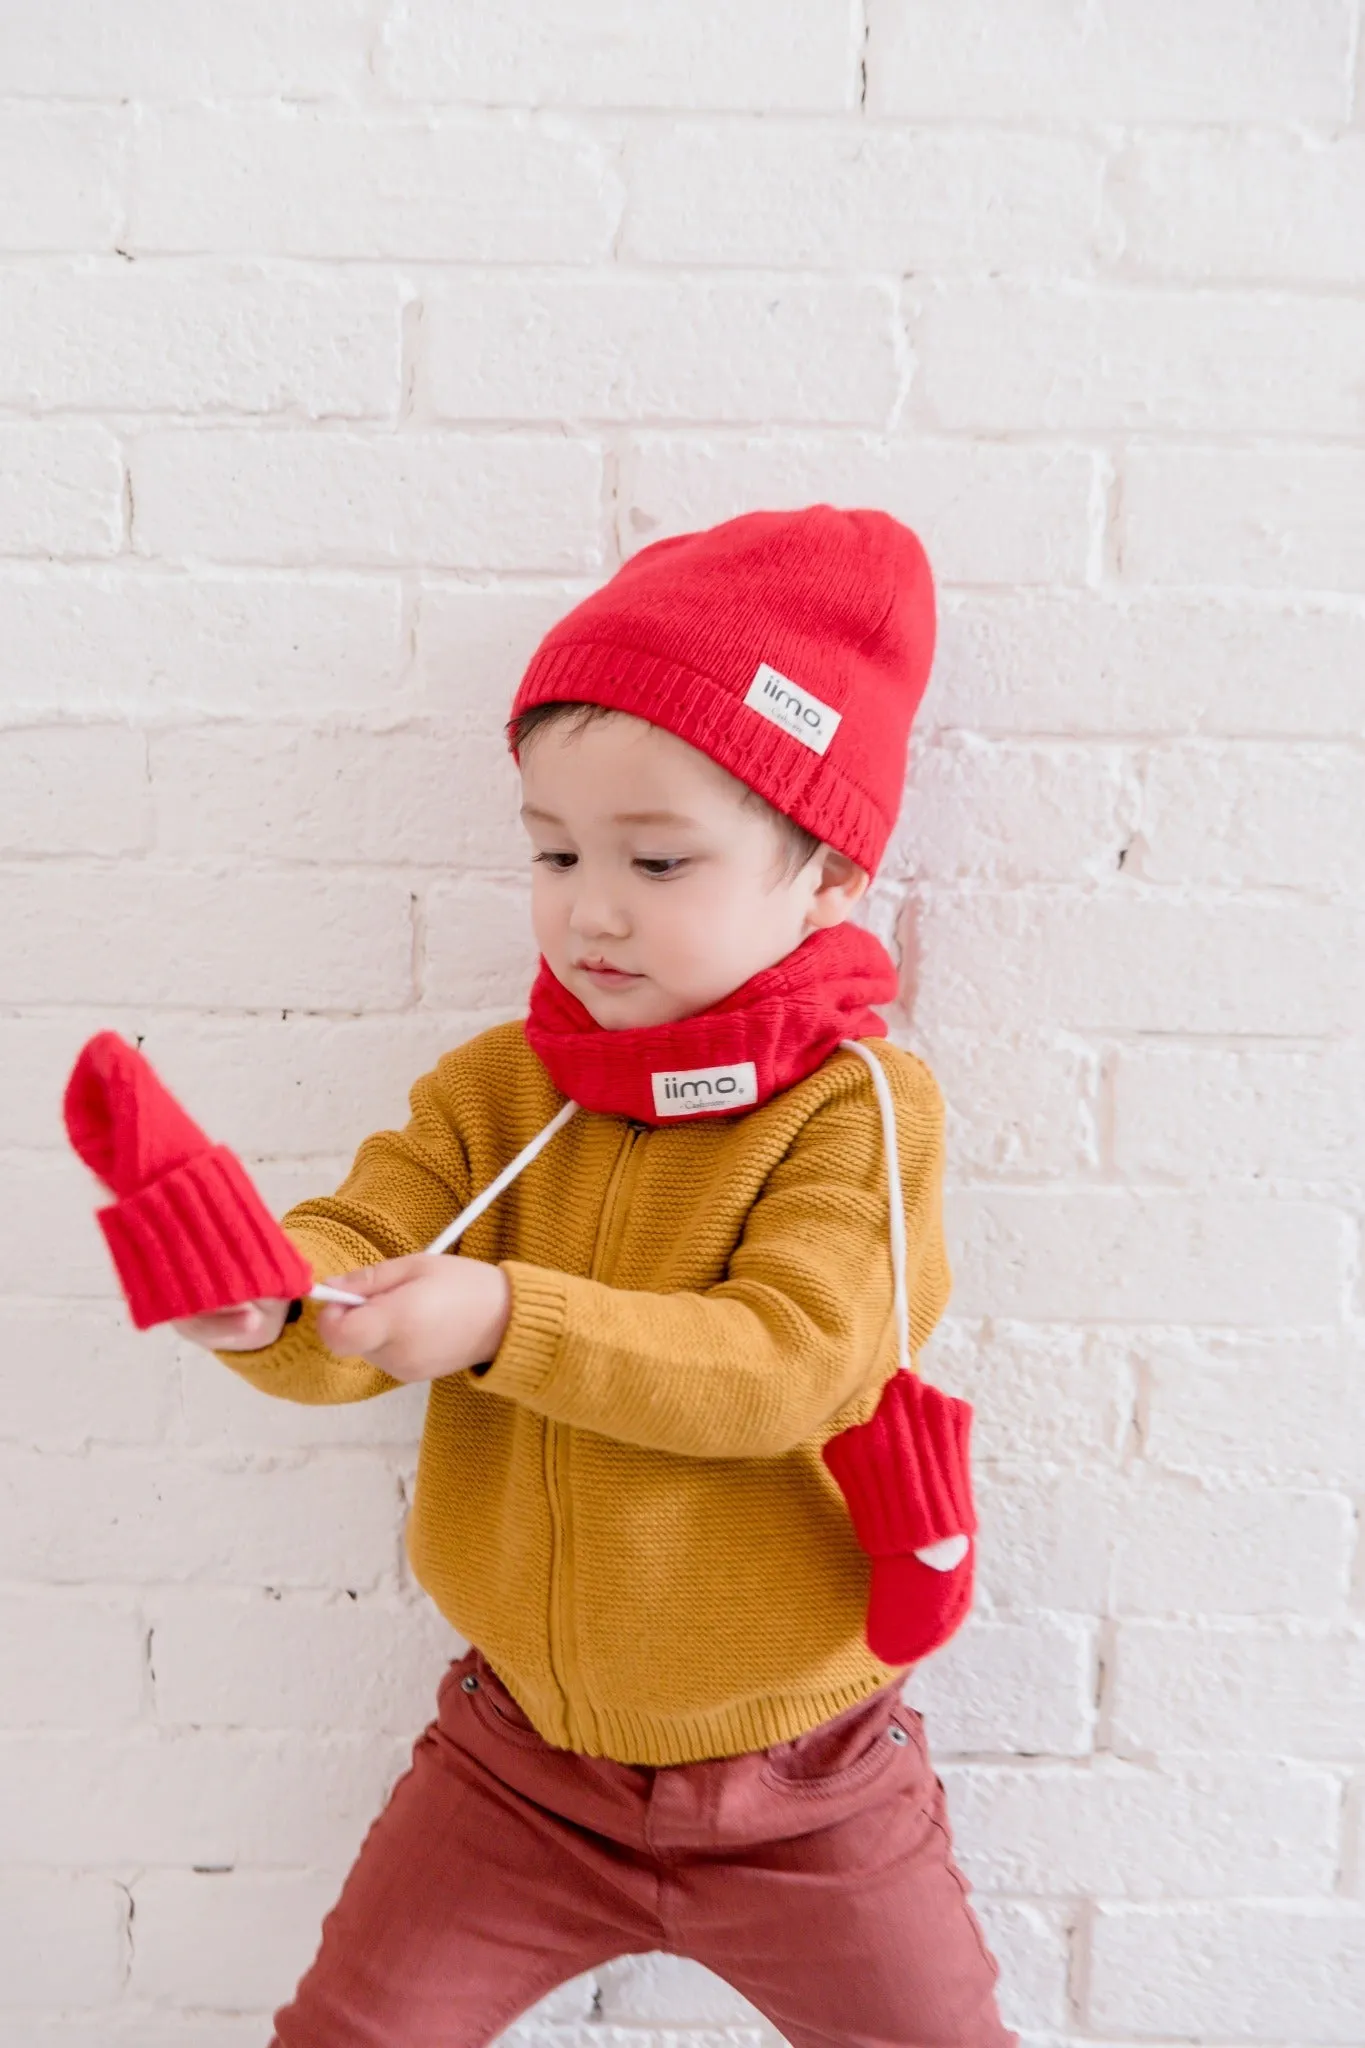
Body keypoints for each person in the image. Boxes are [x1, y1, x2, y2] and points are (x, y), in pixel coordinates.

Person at [172, 506, 1014, 2048]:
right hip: (518, 1768)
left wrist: (501, 1314)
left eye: (659, 859)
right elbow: (363, 1249)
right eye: (554, 852)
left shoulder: (859, 1111)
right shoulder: (501, 1093)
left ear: (824, 874)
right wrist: (273, 1302)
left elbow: (790, 1363)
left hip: (808, 1785)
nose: (592, 906)